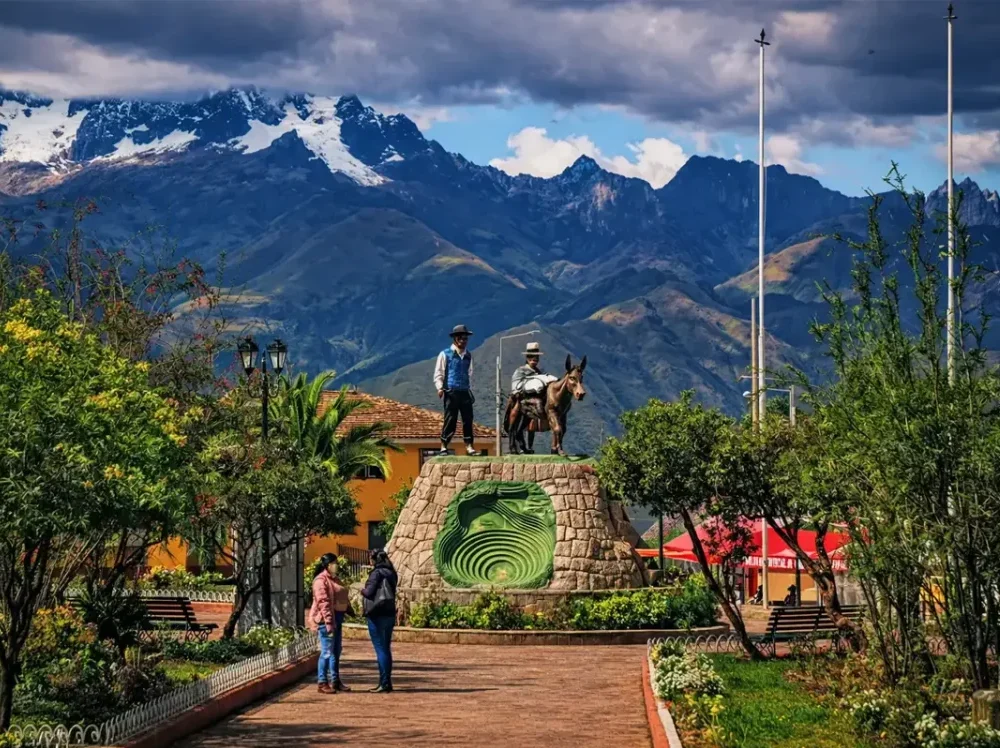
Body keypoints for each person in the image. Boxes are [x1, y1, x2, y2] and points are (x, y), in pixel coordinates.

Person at [309, 552, 351, 694]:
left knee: (336, 651)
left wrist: (348, 609)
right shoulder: (320, 581)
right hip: (326, 620)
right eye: (334, 563)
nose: (336, 566)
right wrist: (328, 623)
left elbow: (342, 594)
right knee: (326, 652)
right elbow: (323, 603)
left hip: (337, 618)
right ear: (327, 565)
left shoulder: (335, 579)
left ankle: (335, 681)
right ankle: (322, 682)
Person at [433, 324, 477, 456]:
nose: (464, 341)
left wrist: (468, 386)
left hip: (464, 391)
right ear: (456, 339)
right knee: (450, 418)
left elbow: (469, 372)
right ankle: (444, 445)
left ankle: (469, 446)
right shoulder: (445, 354)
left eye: (465, 338)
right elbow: (438, 373)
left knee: (468, 419)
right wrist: (440, 388)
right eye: (461, 338)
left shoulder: (468, 355)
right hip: (451, 391)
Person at [361, 549, 398, 693]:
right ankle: (387, 681)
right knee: (386, 649)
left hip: (377, 614)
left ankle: (384, 682)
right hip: (389, 614)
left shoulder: (376, 573)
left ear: (375, 559)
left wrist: (362, 591)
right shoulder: (392, 573)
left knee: (380, 649)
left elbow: (369, 592)